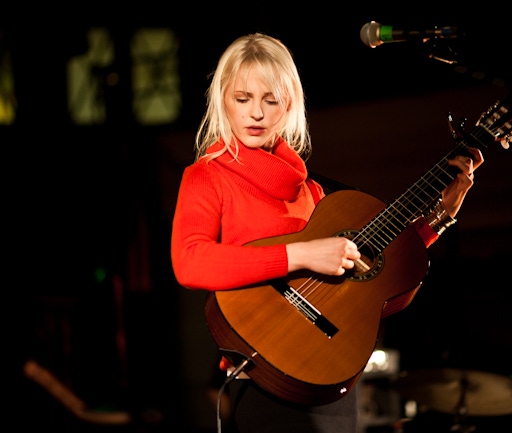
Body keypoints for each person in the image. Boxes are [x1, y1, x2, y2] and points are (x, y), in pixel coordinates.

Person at [170, 32, 483, 433]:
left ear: (289, 106)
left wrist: (438, 218)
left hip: (332, 376)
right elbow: (190, 261)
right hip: (265, 379)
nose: (256, 114)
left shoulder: (312, 190)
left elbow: (365, 281)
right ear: (223, 101)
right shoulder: (206, 177)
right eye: (242, 98)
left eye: (270, 100)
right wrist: (301, 255)